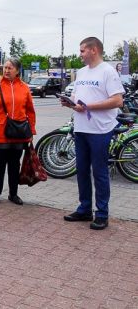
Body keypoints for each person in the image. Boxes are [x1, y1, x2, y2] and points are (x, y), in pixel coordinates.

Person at [61, 37, 124, 230]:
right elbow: (78, 97)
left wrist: (88, 106)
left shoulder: (108, 71)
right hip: (81, 129)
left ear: (94, 50)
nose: (80, 55)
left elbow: (117, 101)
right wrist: (70, 101)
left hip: (100, 130)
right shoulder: (81, 72)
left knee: (99, 172)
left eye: (82, 51)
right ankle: (85, 209)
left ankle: (102, 214)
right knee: (81, 171)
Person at [0, 58, 36, 206]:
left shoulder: (24, 88)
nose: (6, 70)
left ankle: (13, 194)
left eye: (10, 68)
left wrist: (31, 129)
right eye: (5, 68)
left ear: (17, 70)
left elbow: (30, 111)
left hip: (19, 133)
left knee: (14, 164)